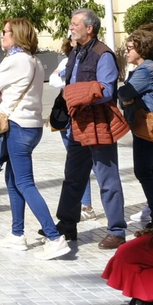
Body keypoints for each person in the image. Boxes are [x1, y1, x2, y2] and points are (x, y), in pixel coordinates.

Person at [0, 18, 69, 258]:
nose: (2, 36)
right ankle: (17, 233)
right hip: (33, 126)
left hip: (17, 126)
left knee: (24, 183)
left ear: (16, 35)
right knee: (13, 179)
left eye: (5, 32)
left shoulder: (13, 60)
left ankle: (54, 237)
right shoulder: (36, 61)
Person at [53, 10, 128, 249]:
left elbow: (107, 90)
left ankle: (116, 231)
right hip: (77, 123)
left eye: (75, 24)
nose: (71, 27)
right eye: (71, 23)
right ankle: (66, 226)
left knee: (107, 178)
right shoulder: (76, 51)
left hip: (98, 124)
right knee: (73, 177)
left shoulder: (103, 55)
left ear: (89, 28)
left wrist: (75, 95)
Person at [119, 28, 153, 231]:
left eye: (130, 48)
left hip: (148, 125)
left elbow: (125, 92)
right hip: (149, 125)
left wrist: (126, 98)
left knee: (143, 170)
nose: (127, 52)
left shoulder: (144, 70)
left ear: (141, 48)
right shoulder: (148, 67)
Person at [49, 35, 100, 220]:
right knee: (75, 165)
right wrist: (67, 82)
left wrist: (67, 83)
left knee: (92, 164)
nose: (74, 41)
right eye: (71, 38)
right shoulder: (66, 61)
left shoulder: (94, 58)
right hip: (66, 118)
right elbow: (53, 80)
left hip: (84, 118)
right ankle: (82, 205)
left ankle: (86, 206)